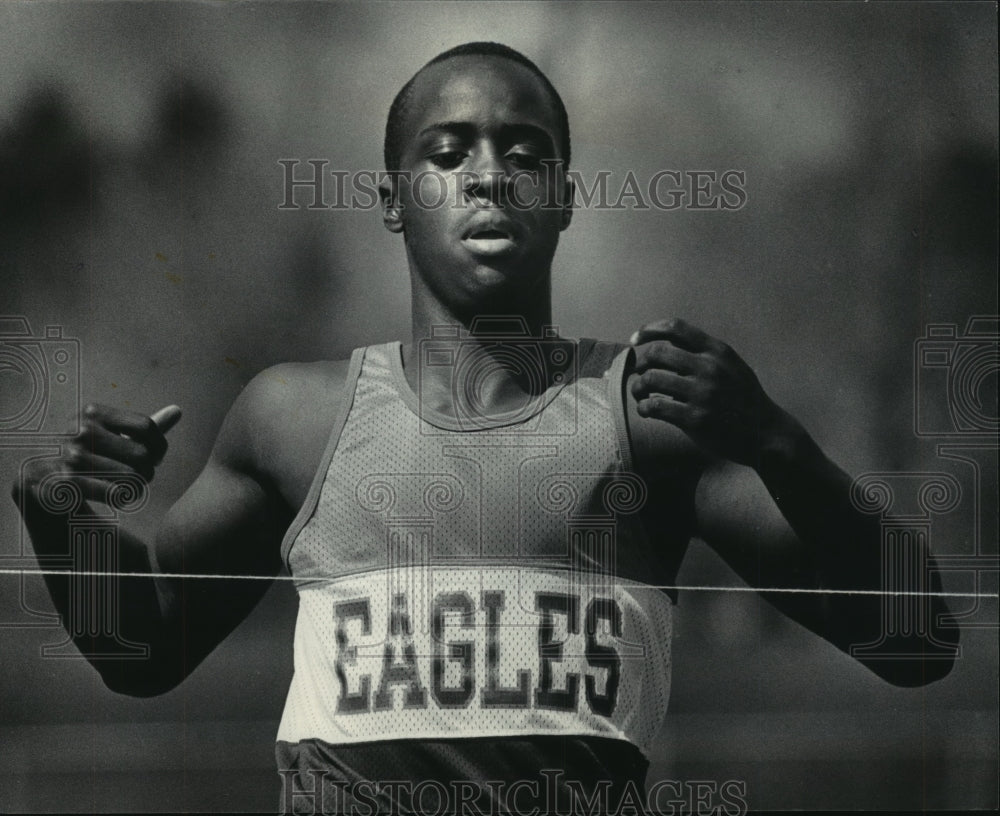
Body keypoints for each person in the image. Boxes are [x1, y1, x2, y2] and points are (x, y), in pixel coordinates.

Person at [12, 42, 958, 815]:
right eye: (448, 150)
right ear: (392, 198)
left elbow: (915, 644)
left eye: (525, 151)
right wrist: (55, 514)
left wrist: (779, 443)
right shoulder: (295, 419)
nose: (491, 177)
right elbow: (142, 651)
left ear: (566, 197)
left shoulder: (648, 420)